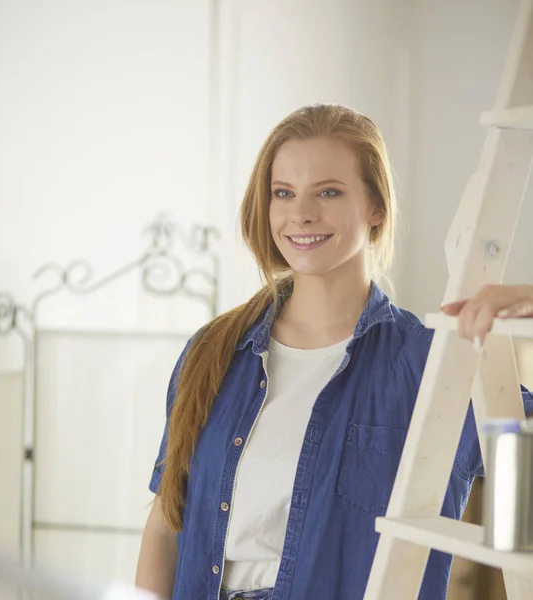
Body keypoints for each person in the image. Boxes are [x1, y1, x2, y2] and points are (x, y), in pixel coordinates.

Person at [135, 104, 533, 600]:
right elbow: (165, 526)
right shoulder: (212, 352)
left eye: (328, 191)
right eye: (284, 193)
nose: (301, 213)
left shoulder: (432, 365)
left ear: (376, 207)